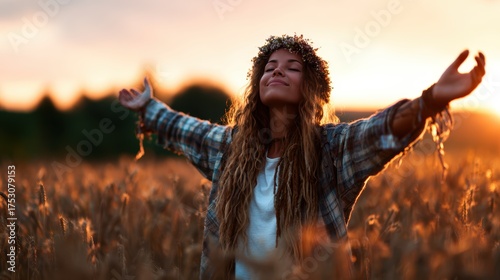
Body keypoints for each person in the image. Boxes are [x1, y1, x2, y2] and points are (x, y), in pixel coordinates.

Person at [118, 34, 486, 279]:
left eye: (292, 67)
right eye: (270, 66)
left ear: (310, 90)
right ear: (257, 85)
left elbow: (379, 128)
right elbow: (185, 129)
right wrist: (147, 108)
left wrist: (432, 99)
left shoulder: (331, 150)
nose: (277, 69)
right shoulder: (231, 149)